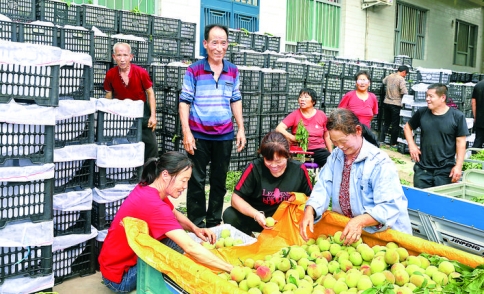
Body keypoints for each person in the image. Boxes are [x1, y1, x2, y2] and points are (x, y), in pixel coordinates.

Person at [98, 152, 233, 293]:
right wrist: (230, 269)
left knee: (174, 237)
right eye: (183, 180)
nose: (185, 186)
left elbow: (174, 213)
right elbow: (190, 246)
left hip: (111, 269)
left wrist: (195, 229)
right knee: (176, 244)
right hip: (120, 279)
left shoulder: (149, 189)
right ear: (165, 175)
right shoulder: (154, 205)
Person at [300, 108, 412, 245]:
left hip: (384, 237)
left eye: (343, 141)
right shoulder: (336, 156)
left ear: (358, 131)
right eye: (335, 143)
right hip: (354, 236)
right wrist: (310, 209)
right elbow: (323, 185)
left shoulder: (379, 162)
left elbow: (388, 207)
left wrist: (360, 220)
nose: (340, 147)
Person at [179, 24, 245, 228]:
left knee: (219, 180)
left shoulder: (232, 71)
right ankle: (196, 224)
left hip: (224, 135)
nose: (219, 47)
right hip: (198, 135)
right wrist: (186, 133)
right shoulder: (194, 70)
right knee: (196, 181)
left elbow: (235, 99)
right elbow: (184, 102)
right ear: (205, 44)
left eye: (223, 43)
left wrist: (241, 128)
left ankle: (214, 222)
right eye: (214, 42)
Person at [223, 132, 313, 235]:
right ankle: (250, 239)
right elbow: (235, 198)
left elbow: (311, 198)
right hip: (258, 218)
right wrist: (256, 215)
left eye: (278, 161)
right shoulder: (254, 168)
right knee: (230, 215)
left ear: (287, 155)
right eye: (268, 160)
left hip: (286, 220)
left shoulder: (299, 170)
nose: (273, 165)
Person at [404, 83, 469, 189]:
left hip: (445, 170)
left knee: (440, 202)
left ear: (442, 97)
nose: (427, 99)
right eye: (426, 96)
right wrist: (412, 145)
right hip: (423, 168)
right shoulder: (422, 113)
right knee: (421, 201)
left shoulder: (457, 116)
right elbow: (407, 127)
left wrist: (458, 166)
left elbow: (461, 143)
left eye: (431, 96)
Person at [103, 42, 158, 161]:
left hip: (141, 111)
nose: (122, 59)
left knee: (151, 145)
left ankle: (149, 174)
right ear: (114, 57)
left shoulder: (141, 72)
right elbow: (109, 95)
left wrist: (153, 116)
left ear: (131, 57)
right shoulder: (110, 74)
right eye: (119, 55)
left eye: (125, 55)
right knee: (124, 144)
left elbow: (150, 93)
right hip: (121, 112)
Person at [275, 88, 333, 167]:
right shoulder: (295, 114)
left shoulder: (321, 115)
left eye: (306, 97)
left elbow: (327, 135)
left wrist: (331, 153)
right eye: (300, 97)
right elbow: (279, 128)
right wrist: (292, 137)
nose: (302, 99)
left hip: (318, 150)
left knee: (330, 163)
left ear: (313, 101)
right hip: (299, 150)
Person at [379, 65, 409, 147]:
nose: (405, 76)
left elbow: (383, 81)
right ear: (403, 72)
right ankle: (393, 143)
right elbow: (404, 91)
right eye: (405, 74)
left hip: (386, 102)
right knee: (395, 124)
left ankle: (381, 140)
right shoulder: (401, 79)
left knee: (386, 123)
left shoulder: (390, 76)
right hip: (396, 104)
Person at [471, 79, 484, 149]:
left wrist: (475, 117)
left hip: (480, 119)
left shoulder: (478, 85)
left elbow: (473, 102)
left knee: (478, 140)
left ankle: (474, 157)